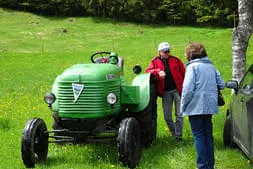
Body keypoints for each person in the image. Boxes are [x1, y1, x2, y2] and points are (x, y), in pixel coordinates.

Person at [180, 42, 225, 169]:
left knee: (199, 136)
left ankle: (202, 166)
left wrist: (183, 106)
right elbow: (221, 84)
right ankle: (210, 165)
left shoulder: (192, 67)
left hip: (195, 107)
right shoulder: (211, 66)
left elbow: (188, 89)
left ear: (190, 54)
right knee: (207, 136)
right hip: (210, 106)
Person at [146, 42, 185, 141]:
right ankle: (173, 132)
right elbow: (148, 71)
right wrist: (158, 72)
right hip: (166, 92)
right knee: (167, 116)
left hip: (177, 91)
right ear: (159, 52)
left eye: (168, 51)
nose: (167, 53)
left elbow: (184, 74)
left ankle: (178, 136)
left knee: (179, 114)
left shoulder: (176, 60)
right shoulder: (154, 61)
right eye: (165, 52)